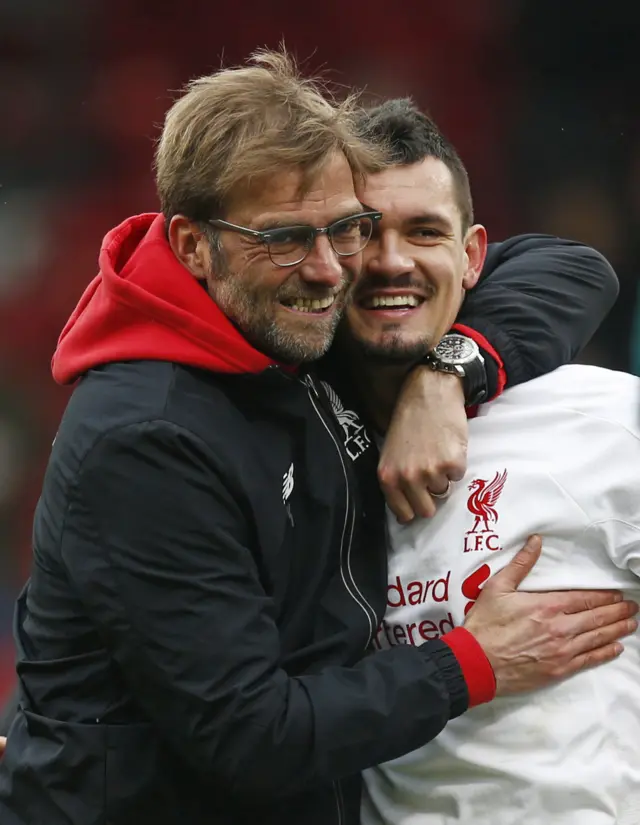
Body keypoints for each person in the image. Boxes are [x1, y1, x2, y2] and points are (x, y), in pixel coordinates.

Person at [0, 53, 633, 825]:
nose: (334, 268)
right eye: (286, 237)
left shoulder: (296, 335)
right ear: (194, 247)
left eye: (344, 230)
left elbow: (565, 266)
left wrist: (447, 372)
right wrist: (471, 659)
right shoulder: (148, 438)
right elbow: (256, 735)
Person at [328, 97, 640, 825]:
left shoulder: (603, 419)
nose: (391, 261)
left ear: (471, 257)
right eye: (362, 233)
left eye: (423, 232)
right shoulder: (295, 460)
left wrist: (446, 371)